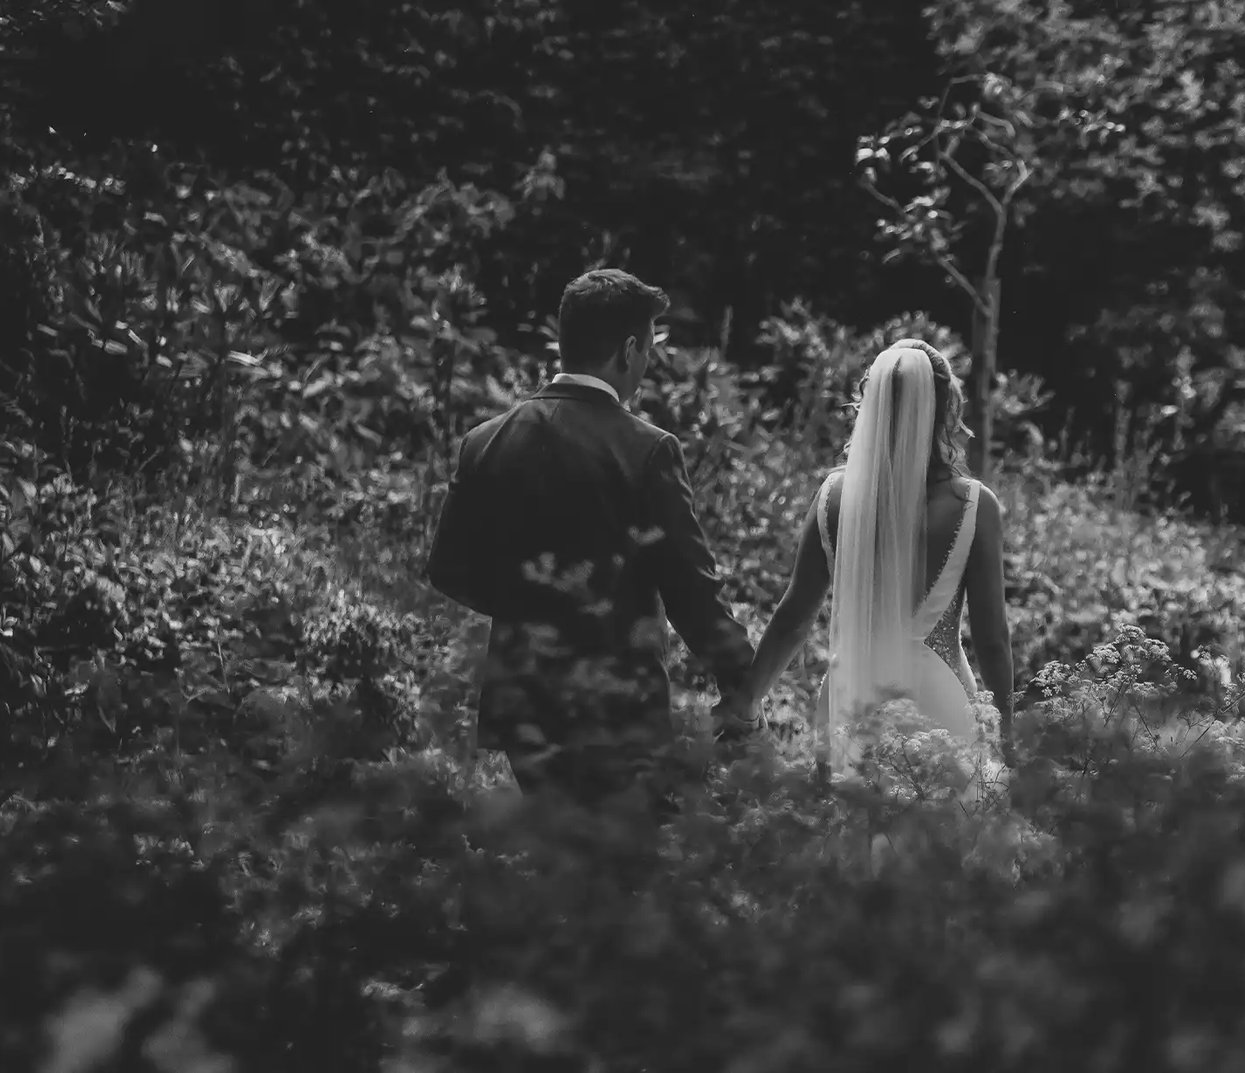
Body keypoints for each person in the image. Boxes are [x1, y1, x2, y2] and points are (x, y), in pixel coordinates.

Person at [425, 268, 758, 816]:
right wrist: (744, 683)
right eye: (648, 350)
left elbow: (448, 568)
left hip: (522, 704)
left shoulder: (486, 441)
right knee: (624, 873)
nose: (647, 365)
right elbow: (691, 591)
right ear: (628, 350)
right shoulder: (647, 451)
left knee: (560, 862)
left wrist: (531, 607)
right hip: (617, 714)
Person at [738, 339, 1016, 782]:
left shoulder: (833, 496)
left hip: (850, 695)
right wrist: (1007, 734)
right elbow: (992, 639)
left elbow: (794, 616)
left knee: (850, 835)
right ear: (946, 411)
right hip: (939, 695)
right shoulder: (972, 506)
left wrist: (746, 702)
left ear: (871, 406)